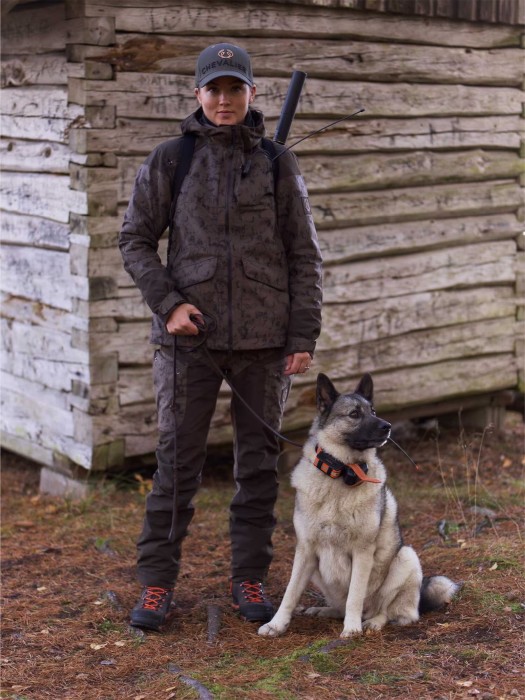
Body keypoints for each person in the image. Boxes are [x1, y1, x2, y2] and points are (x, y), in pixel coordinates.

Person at [119, 42, 322, 631]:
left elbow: (304, 254)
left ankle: (249, 578)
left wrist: (302, 333)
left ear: (252, 93)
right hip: (189, 341)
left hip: (264, 341)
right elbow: (134, 239)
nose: (224, 99)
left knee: (257, 466)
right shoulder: (172, 159)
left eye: (235, 88)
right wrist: (170, 304)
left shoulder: (277, 163)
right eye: (214, 89)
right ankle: (157, 584)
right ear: (198, 93)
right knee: (176, 465)